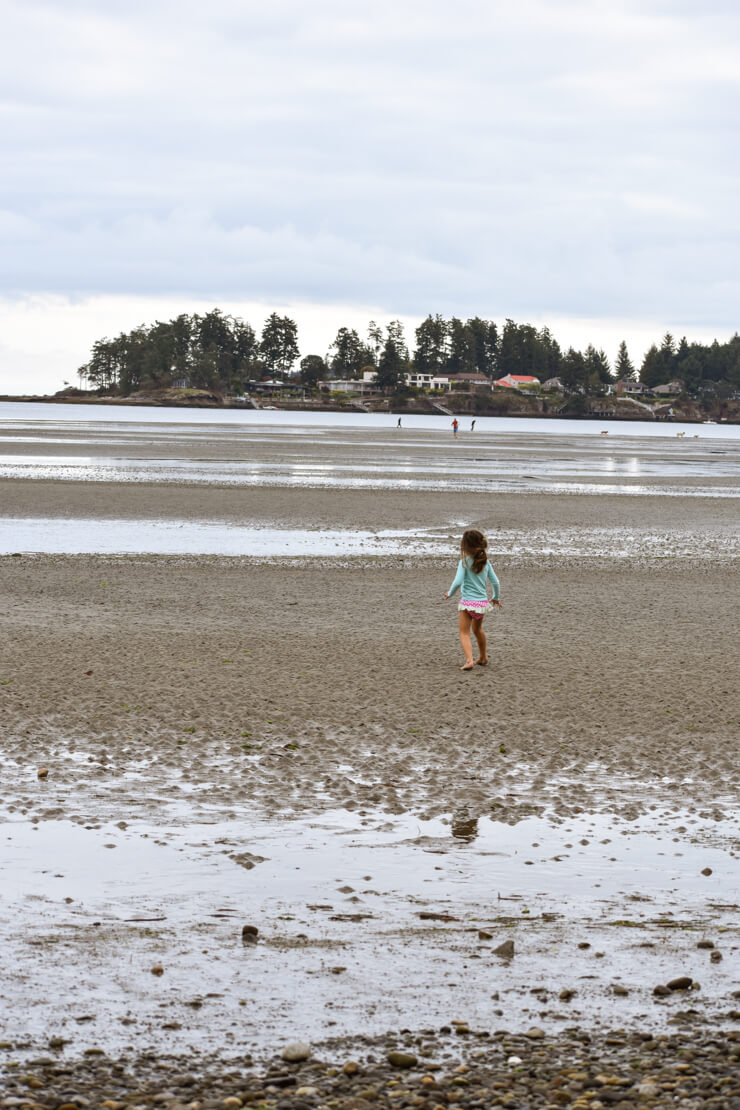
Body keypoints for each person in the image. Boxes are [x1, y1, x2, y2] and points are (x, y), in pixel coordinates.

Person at [445, 529, 501, 671]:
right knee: (478, 630)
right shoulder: (485, 562)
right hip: (482, 604)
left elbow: (457, 582)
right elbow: (495, 582)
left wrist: (450, 594)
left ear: (466, 546)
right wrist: (495, 597)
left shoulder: (464, 561)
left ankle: (469, 660)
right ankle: (483, 657)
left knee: (464, 632)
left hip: (467, 603)